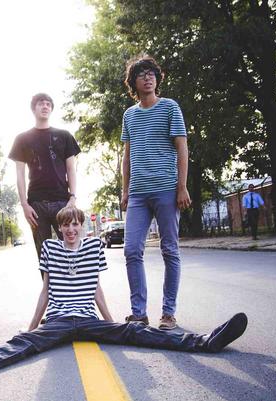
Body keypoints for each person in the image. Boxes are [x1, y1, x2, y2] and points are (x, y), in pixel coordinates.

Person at [0, 206, 248, 379]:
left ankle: (204, 342)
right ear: (59, 229)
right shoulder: (50, 248)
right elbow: (46, 290)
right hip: (58, 320)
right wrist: (32, 327)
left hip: (88, 320)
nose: (70, 230)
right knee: (23, 343)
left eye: (75, 225)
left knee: (136, 331)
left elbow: (96, 288)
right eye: (65, 226)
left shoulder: (94, 247)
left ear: (82, 226)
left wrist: (113, 323)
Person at [121, 56, 191, 330]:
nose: (148, 78)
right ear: (134, 82)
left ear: (157, 79)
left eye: (152, 74)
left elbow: (182, 148)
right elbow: (126, 157)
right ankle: (139, 313)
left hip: (166, 189)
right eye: (142, 74)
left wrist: (182, 187)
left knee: (169, 250)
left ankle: (168, 313)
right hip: (138, 193)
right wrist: (125, 191)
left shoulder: (170, 107)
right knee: (131, 250)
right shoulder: (129, 115)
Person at [9, 93, 81, 264]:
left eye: (48, 104)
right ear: (33, 108)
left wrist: (72, 198)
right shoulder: (22, 139)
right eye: (41, 103)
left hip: (62, 202)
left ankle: (72, 282)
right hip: (36, 204)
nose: (45, 106)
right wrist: (24, 205)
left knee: (72, 251)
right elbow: (19, 174)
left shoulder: (64, 135)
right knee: (44, 256)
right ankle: (49, 283)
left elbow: (71, 169)